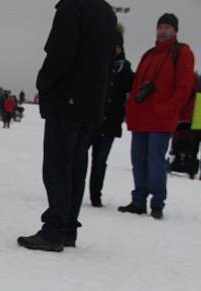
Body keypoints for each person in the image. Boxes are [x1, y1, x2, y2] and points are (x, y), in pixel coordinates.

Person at [17, 0, 117, 252]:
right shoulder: (106, 11)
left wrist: (44, 83)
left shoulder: (73, 7)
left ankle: (54, 231)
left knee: (58, 166)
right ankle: (68, 228)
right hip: (91, 104)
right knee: (76, 166)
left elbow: (61, 52)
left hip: (67, 100)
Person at [118, 13, 195, 219]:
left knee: (155, 161)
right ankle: (138, 201)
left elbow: (184, 86)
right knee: (138, 160)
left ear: (175, 31)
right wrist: (131, 109)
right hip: (142, 117)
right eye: (160, 27)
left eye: (167, 27)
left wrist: (170, 108)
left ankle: (157, 203)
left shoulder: (182, 53)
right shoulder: (149, 55)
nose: (162, 30)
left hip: (161, 119)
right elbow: (136, 88)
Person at [88, 30, 133, 206]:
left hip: (110, 124)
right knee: (79, 157)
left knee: (100, 161)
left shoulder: (125, 69)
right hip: (91, 120)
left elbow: (131, 89)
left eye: (117, 46)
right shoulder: (96, 64)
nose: (114, 49)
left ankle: (95, 195)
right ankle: (73, 190)